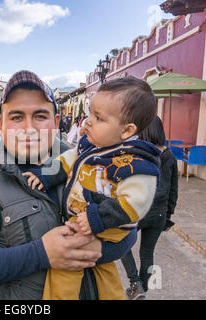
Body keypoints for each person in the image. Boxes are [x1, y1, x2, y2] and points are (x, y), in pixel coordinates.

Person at [0, 70, 137, 300]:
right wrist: (42, 253)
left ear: (56, 122)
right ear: (0, 123)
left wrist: (100, 250)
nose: (29, 128)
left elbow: (129, 226)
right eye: (17, 117)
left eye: (40, 116)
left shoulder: (91, 165)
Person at [23, 76, 161, 299]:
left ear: (126, 131)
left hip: (108, 226)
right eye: (90, 113)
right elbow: (68, 160)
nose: (87, 121)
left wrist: (98, 218)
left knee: (67, 263)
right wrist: (45, 176)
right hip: (93, 222)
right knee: (104, 271)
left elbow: (136, 203)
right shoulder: (93, 146)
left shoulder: (136, 163)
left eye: (98, 118)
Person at [120, 116, 178, 299]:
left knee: (120, 243)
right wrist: (168, 215)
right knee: (147, 253)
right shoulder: (169, 155)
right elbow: (173, 189)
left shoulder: (135, 153)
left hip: (137, 210)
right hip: (159, 213)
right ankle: (141, 289)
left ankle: (135, 283)